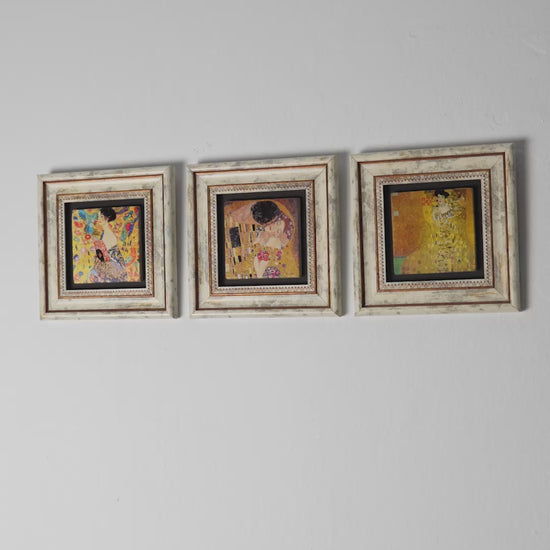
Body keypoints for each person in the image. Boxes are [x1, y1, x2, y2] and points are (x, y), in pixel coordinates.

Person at [401, 189, 475, 274]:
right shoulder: (435, 211)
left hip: (451, 239)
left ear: (445, 199)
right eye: (438, 197)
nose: (440, 199)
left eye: (441, 197)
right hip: (437, 239)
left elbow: (456, 224)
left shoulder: (451, 211)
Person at [225, 199, 300, 279]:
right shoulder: (237, 226)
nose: (273, 226)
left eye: (275, 223)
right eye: (268, 225)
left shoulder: (283, 227)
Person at [91, 207, 128, 282]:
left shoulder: (109, 235)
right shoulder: (104, 233)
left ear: (107, 218)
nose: (99, 219)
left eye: (101, 216)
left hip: (113, 271)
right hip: (106, 269)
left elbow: (113, 258)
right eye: (98, 216)